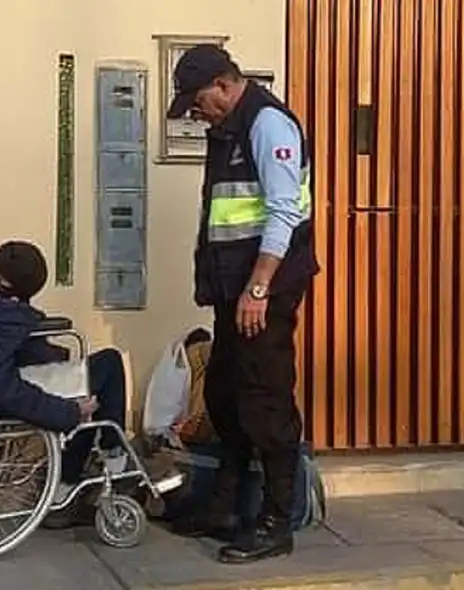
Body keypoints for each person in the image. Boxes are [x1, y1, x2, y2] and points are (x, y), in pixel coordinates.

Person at [165, 44, 319, 564]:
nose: (195, 111)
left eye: (198, 100)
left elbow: (283, 213)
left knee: (265, 400)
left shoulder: (268, 125)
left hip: (264, 291)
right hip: (236, 291)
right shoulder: (230, 128)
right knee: (226, 396)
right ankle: (225, 507)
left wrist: (257, 288)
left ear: (224, 85)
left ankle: (277, 521)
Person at [0, 241, 130, 526]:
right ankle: (105, 466)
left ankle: (87, 470)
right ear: (4, 282)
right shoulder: (0, 314)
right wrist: (68, 413)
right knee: (107, 367)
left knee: (79, 369)